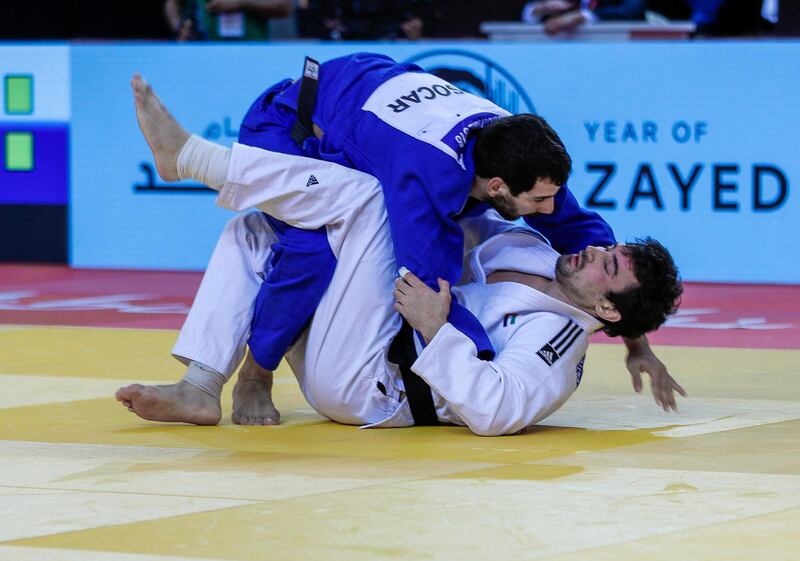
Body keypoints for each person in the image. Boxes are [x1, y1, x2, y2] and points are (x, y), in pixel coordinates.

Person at [115, 77, 685, 434]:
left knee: (370, 196)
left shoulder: (558, 346)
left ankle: (196, 159)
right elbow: (594, 259)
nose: (593, 251)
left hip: (372, 384)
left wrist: (440, 332)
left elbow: (498, 409)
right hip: (365, 331)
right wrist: (638, 345)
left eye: (606, 265)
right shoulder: (546, 252)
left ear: (606, 312)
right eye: (608, 249)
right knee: (257, 231)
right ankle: (202, 383)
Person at [229, 52, 670, 403]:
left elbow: (586, 241)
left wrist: (635, 339)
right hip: (285, 125)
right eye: (539, 199)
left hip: (361, 82)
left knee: (423, 215)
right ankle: (256, 372)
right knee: (314, 245)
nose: (548, 207)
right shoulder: (429, 177)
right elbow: (427, 288)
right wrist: (481, 359)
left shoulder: (519, 153)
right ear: (497, 186)